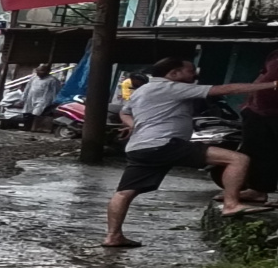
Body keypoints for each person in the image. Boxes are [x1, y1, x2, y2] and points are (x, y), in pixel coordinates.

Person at [104, 57, 278, 248]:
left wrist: (136, 126)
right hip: (167, 144)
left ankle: (113, 236)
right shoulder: (172, 87)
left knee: (123, 193)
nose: (195, 74)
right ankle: (231, 204)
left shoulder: (142, 90)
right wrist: (271, 84)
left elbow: (125, 112)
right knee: (238, 159)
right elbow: (226, 89)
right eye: (190, 70)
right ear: (174, 74)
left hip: (140, 148)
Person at [236, 50, 278, 207]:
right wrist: (249, 102)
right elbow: (262, 75)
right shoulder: (274, 54)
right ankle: (258, 190)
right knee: (257, 150)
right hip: (258, 111)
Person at [21, 64, 61, 131]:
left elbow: (56, 91)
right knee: (27, 113)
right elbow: (27, 88)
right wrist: (23, 98)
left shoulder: (52, 80)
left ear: (48, 71)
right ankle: (26, 128)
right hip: (31, 98)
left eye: (42, 71)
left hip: (44, 99)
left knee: (37, 113)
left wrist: (54, 102)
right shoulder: (33, 78)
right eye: (38, 70)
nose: (39, 72)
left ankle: (34, 128)